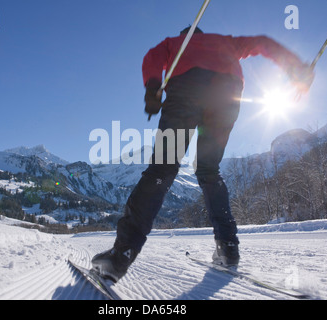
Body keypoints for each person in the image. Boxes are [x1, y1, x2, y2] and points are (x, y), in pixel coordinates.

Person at [91, 27, 314, 282]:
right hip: (227, 95)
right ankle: (228, 248)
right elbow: (262, 42)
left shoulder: (175, 43)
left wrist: (153, 89)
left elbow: (151, 58)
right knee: (209, 171)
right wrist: (296, 68)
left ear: (186, 34)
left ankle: (121, 254)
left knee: (162, 168)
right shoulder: (225, 41)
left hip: (186, 91)